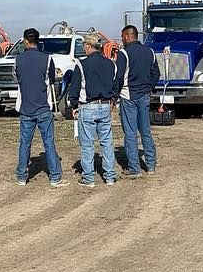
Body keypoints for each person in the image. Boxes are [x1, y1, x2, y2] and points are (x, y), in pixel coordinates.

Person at [65, 34, 123, 187]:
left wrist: (73, 105)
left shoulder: (81, 64)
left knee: (87, 144)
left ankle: (89, 178)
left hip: (88, 106)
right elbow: (117, 84)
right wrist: (113, 99)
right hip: (105, 106)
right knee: (106, 142)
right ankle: (110, 176)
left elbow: (75, 87)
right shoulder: (112, 65)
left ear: (88, 46)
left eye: (84, 45)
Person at [14, 28, 62, 187]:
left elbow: (18, 79)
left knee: (25, 143)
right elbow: (52, 81)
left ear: (26, 41)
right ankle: (55, 177)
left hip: (26, 108)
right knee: (48, 142)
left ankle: (21, 175)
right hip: (43, 107)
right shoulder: (48, 59)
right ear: (37, 41)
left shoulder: (18, 60)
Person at [118, 25, 160, 177]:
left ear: (128, 36)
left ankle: (134, 168)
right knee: (146, 131)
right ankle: (151, 165)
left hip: (128, 95)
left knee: (130, 133)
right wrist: (150, 87)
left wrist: (115, 95)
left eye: (122, 36)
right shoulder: (149, 51)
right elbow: (156, 73)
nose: (122, 39)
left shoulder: (124, 53)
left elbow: (119, 77)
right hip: (144, 95)